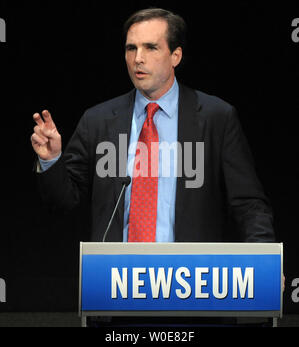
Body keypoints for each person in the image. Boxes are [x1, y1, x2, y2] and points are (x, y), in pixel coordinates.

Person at [31, 8, 276, 326]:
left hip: (195, 293)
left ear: (176, 55)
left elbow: (248, 204)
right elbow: (64, 200)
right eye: (131, 48)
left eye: (150, 47)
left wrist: (264, 262)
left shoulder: (216, 117)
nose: (137, 59)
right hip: (115, 292)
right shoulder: (99, 120)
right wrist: (51, 160)